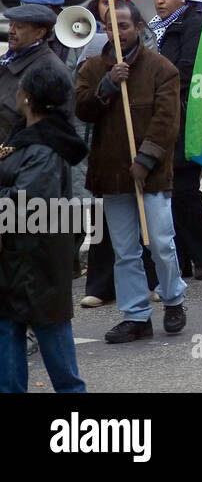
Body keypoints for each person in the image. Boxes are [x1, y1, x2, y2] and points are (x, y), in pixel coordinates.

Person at [74, 0, 187, 344]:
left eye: (123, 26)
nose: (116, 33)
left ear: (138, 28)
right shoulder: (93, 67)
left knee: (161, 243)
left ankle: (173, 300)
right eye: (110, 26)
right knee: (125, 250)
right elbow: (82, 110)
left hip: (150, 175)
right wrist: (107, 85)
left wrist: (146, 160)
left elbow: (167, 122)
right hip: (113, 174)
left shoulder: (161, 68)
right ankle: (136, 314)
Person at [0, 63, 87, 392]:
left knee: (58, 356)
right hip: (15, 261)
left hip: (39, 264)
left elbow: (25, 204)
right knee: (8, 343)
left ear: (27, 98)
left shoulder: (45, 148)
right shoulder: (25, 138)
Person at [149, 0, 202, 281]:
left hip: (186, 114)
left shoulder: (195, 23)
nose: (159, 2)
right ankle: (184, 258)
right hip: (165, 115)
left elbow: (187, 71)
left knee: (185, 187)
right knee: (173, 188)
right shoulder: (155, 27)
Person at [0, 3, 70, 144]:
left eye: (19, 27)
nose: (11, 31)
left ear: (39, 33)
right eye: (11, 25)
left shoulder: (51, 71)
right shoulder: (7, 61)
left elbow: (55, 132)